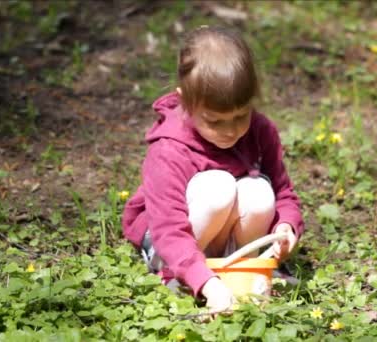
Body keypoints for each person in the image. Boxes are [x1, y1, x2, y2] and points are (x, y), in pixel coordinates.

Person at [122, 26, 304, 312]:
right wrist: (204, 282)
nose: (231, 130)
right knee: (218, 187)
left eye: (240, 116)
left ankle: (248, 268)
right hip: (170, 244)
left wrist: (286, 225)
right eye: (215, 121)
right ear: (185, 100)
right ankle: (182, 277)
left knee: (258, 192)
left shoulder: (261, 131)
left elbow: (283, 193)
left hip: (230, 243)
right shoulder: (169, 150)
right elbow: (168, 228)